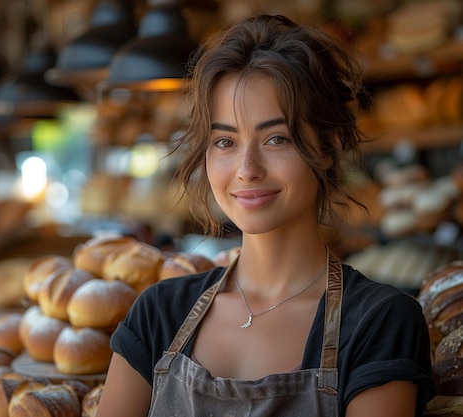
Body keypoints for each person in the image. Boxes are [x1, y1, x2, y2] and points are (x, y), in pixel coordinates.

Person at [95, 14, 436, 417]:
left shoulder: (379, 321)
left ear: (325, 148)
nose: (246, 168)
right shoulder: (158, 313)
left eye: (277, 138)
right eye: (225, 141)